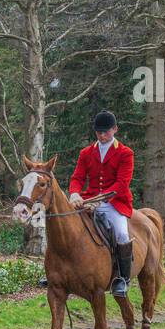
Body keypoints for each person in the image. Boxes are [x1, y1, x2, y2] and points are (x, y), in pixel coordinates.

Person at [68, 110, 136, 297]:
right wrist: (74, 193)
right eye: (98, 132)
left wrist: (98, 200)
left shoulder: (125, 153)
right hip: (88, 200)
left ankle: (123, 278)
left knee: (122, 234)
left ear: (115, 129)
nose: (102, 135)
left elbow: (122, 184)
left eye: (106, 131)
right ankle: (60, 273)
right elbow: (77, 177)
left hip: (115, 202)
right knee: (66, 225)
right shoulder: (86, 153)